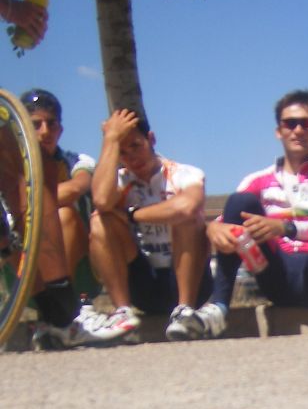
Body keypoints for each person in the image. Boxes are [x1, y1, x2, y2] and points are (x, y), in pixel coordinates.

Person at [191, 89, 308, 340]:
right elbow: (230, 218)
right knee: (240, 201)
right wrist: (213, 228)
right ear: (278, 131)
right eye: (290, 123)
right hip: (275, 273)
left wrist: (284, 227)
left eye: (307, 123)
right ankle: (218, 308)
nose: (298, 130)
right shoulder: (256, 180)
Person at [89, 108, 213, 341]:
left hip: (191, 282)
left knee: (186, 218)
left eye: (136, 146)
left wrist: (133, 215)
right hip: (144, 283)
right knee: (99, 220)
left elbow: (187, 207)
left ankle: (184, 311)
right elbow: (102, 200)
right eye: (122, 152)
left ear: (151, 139)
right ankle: (123, 314)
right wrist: (110, 140)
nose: (132, 157)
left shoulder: (184, 173)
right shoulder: (121, 181)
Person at [20, 89, 97, 295]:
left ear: (60, 130)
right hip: (23, 264)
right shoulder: (9, 169)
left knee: (64, 215)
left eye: (51, 124)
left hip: (81, 267)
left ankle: (63, 299)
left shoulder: (77, 161)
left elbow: (75, 188)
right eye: (35, 124)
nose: (45, 131)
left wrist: (23, 202)